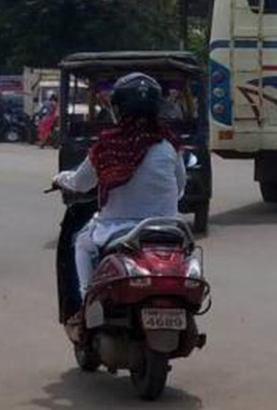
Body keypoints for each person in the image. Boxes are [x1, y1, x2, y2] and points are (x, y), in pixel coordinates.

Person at [53, 72, 186, 329]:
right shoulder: (169, 144)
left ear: (118, 109)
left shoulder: (108, 145)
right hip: (168, 229)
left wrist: (60, 178)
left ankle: (87, 301)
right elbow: (180, 187)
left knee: (82, 243)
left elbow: (81, 183)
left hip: (117, 229)